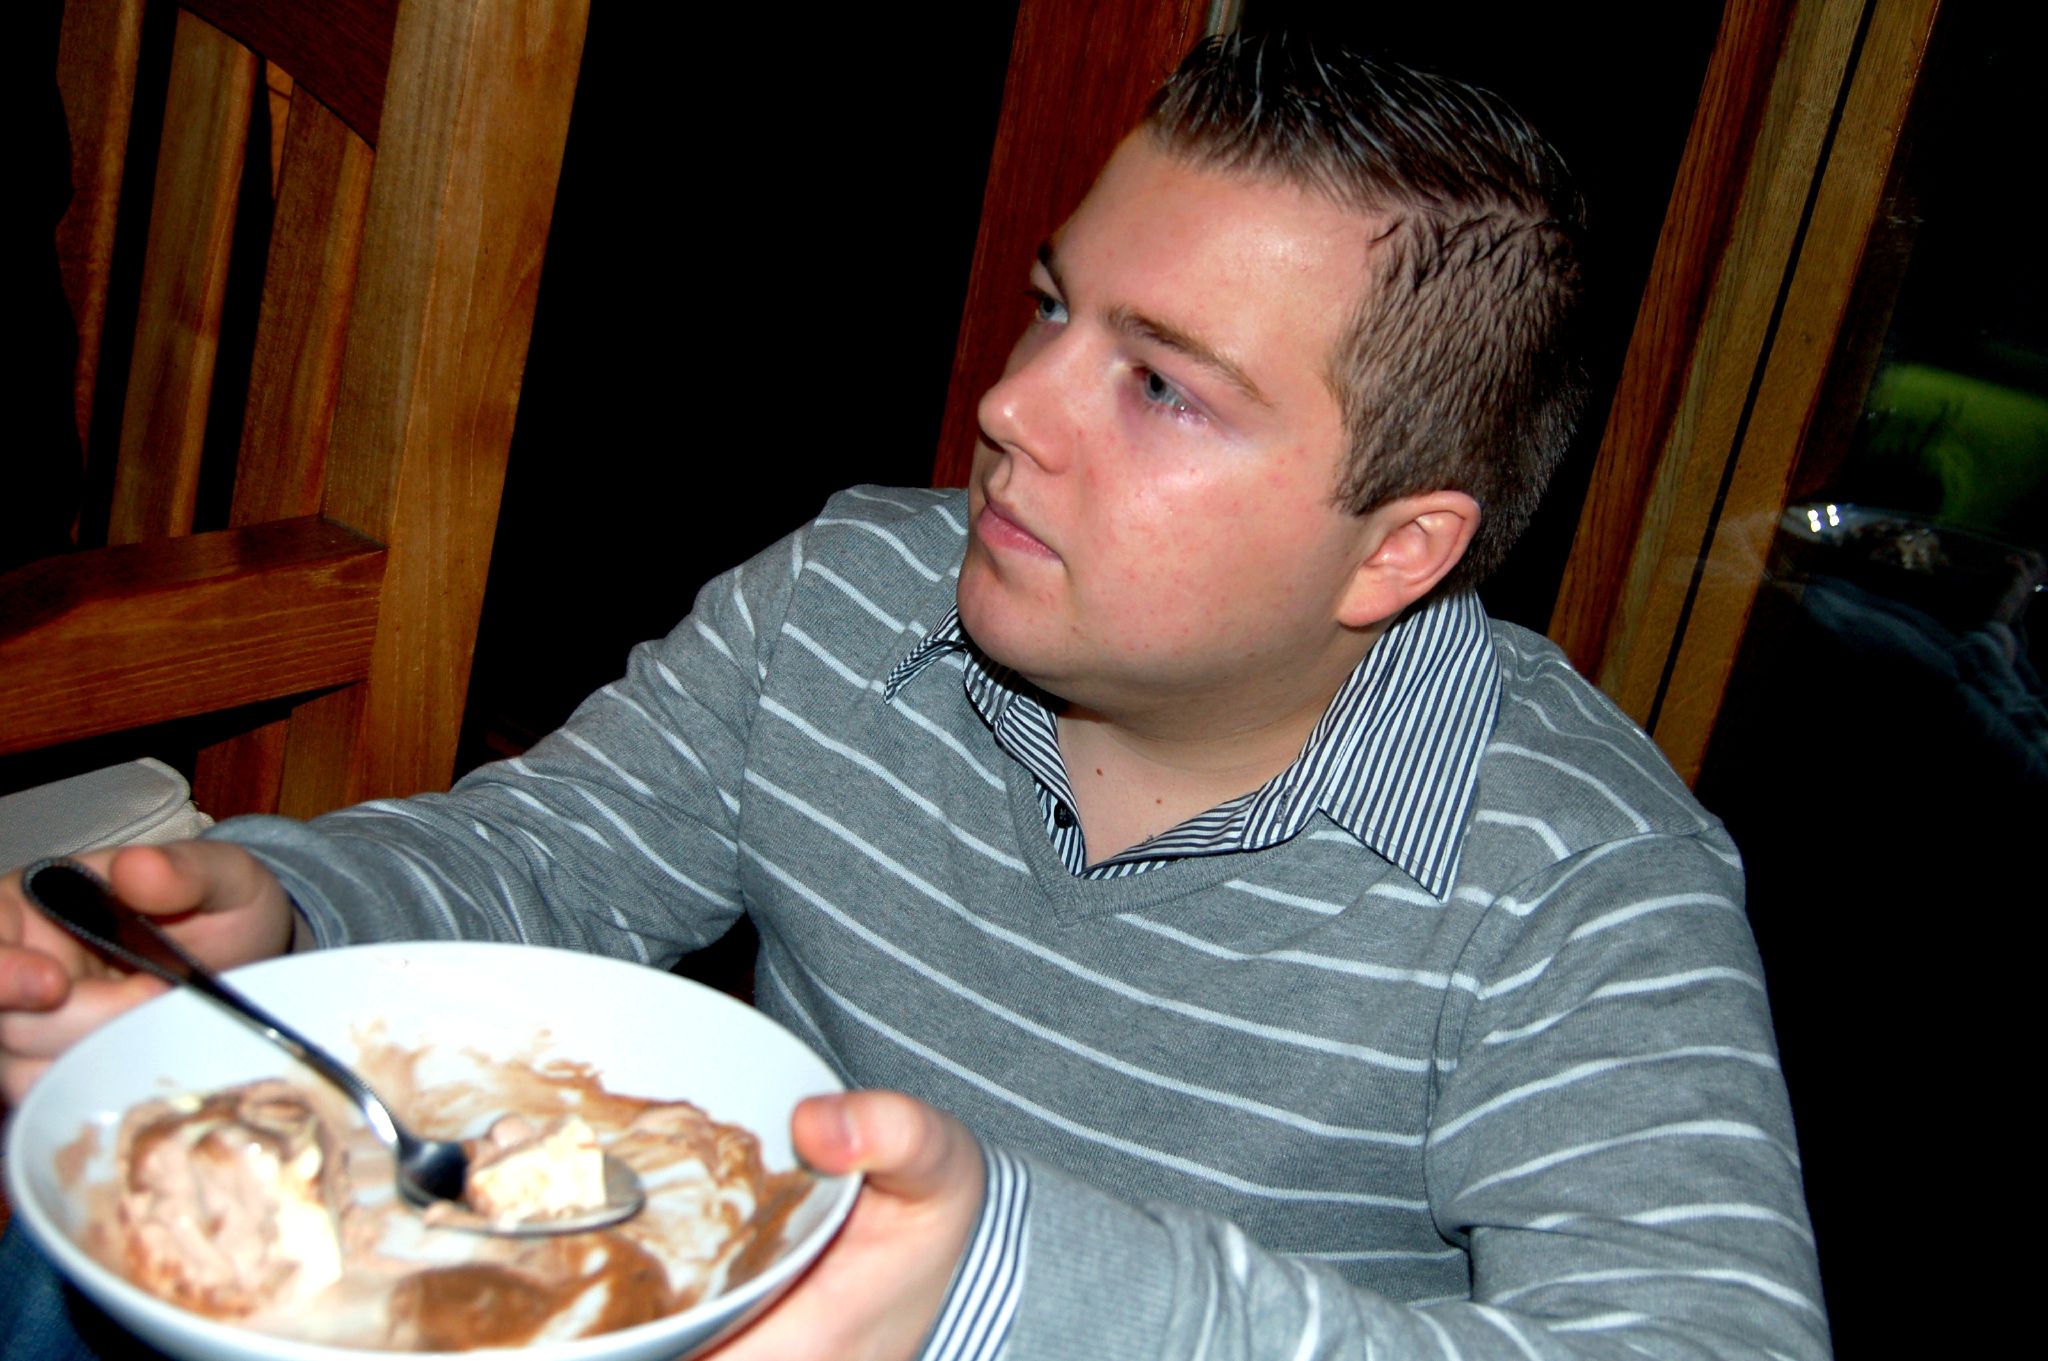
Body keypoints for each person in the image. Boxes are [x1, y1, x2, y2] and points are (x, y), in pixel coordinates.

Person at [0, 31, 1829, 1361]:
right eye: (1053, 308)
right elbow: (548, 860)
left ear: (1394, 551)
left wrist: (1010, 1279)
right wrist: (297, 911)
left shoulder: (1580, 877)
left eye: (1161, 387)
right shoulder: (857, 594)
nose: (1016, 405)